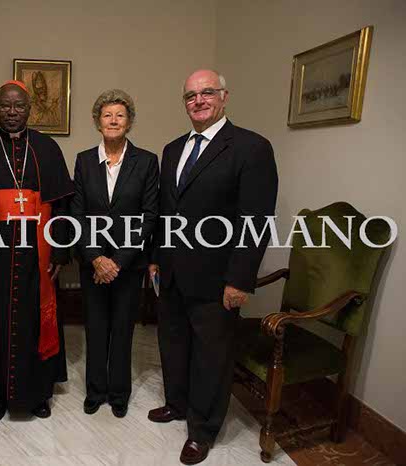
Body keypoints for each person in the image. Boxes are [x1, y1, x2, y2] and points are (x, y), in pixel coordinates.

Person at [148, 70, 278, 465]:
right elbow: (165, 211)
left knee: (211, 356)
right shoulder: (173, 149)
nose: (198, 100)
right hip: (171, 272)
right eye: (190, 95)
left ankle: (202, 430)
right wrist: (155, 258)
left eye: (207, 92)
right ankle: (177, 403)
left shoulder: (251, 148)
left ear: (224, 96)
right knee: (173, 343)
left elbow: (256, 221)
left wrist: (240, 279)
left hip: (217, 277)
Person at [0, 80, 73, 423]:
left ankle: (37, 394)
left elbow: (62, 206)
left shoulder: (47, 147)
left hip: (38, 249)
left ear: (29, 109)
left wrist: (59, 252)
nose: (12, 112)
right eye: (5, 106)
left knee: (36, 319)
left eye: (19, 106)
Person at [70, 89, 158, 418]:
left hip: (128, 265)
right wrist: (96, 258)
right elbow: (77, 215)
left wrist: (117, 261)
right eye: (107, 115)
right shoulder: (83, 161)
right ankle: (96, 391)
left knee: (122, 329)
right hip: (92, 263)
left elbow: (150, 216)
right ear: (98, 122)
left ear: (129, 122)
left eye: (120, 115)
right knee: (95, 328)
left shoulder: (146, 161)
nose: (113, 120)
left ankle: (119, 393)